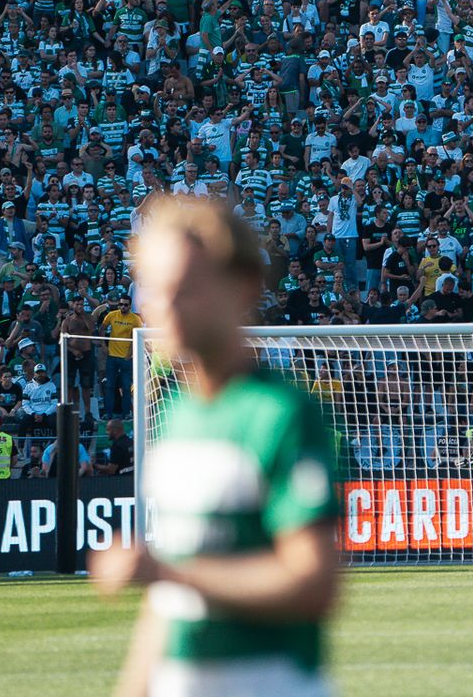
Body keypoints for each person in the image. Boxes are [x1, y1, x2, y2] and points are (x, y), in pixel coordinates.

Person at [91, 194, 341, 697]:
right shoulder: (175, 413)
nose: (166, 307)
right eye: (156, 290)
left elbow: (314, 584)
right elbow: (168, 605)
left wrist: (166, 571)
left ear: (242, 287)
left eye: (187, 289)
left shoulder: (281, 413)